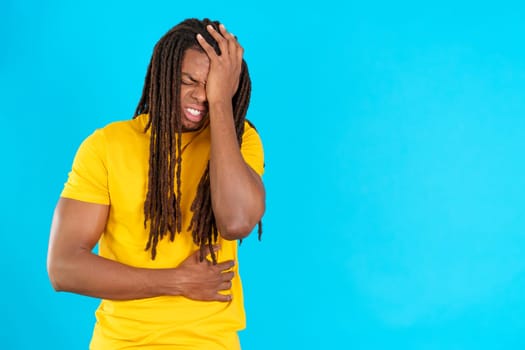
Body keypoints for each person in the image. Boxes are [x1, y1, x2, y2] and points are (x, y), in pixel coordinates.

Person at [47, 18, 265, 350]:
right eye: (188, 81)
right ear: (162, 76)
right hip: (122, 343)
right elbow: (63, 268)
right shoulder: (107, 146)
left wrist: (222, 103)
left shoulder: (238, 141)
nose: (201, 96)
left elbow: (236, 222)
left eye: (214, 85)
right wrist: (176, 282)